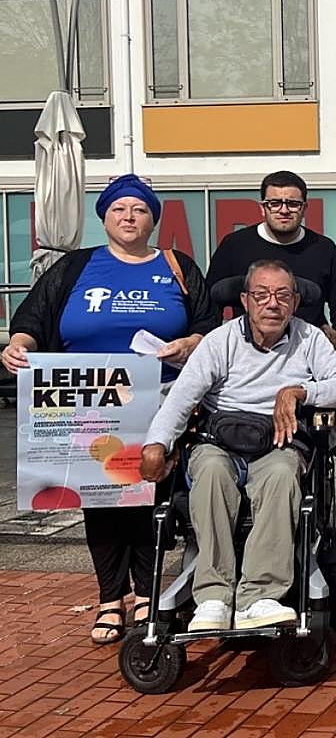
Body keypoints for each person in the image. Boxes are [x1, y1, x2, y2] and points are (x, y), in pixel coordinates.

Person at [2, 174, 217, 644]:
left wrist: (189, 344)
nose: (129, 217)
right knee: (97, 498)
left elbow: (206, 325)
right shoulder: (76, 267)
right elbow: (33, 318)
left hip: (157, 400)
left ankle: (144, 593)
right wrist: (18, 345)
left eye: (139, 210)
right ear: (104, 218)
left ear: (152, 220)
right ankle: (108, 597)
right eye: (119, 210)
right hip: (87, 401)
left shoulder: (176, 265)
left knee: (147, 499)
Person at [139, 259, 336, 632]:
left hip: (277, 443)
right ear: (245, 300)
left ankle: (259, 595)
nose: (272, 304)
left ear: (294, 301)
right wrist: (156, 443)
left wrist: (300, 391)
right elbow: (181, 397)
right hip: (219, 443)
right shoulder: (219, 340)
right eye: (261, 294)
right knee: (208, 471)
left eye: (282, 295)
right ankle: (212, 596)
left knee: (282, 472)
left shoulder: (309, 339)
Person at [206, 171, 336, 366]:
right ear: (263, 208)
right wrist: (210, 357)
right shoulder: (234, 245)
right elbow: (210, 307)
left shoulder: (324, 248)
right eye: (275, 203)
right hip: (245, 358)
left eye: (293, 204)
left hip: (308, 358)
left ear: (305, 208)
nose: (284, 210)